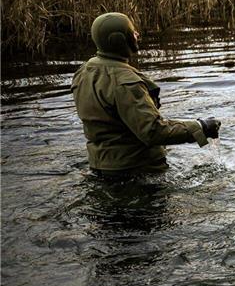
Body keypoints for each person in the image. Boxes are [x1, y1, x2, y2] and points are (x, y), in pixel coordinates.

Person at [71, 12, 220, 176]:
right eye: (132, 31)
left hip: (100, 165)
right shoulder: (126, 83)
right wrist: (200, 127)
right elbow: (153, 131)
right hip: (137, 170)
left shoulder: (83, 72)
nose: (137, 34)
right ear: (120, 40)